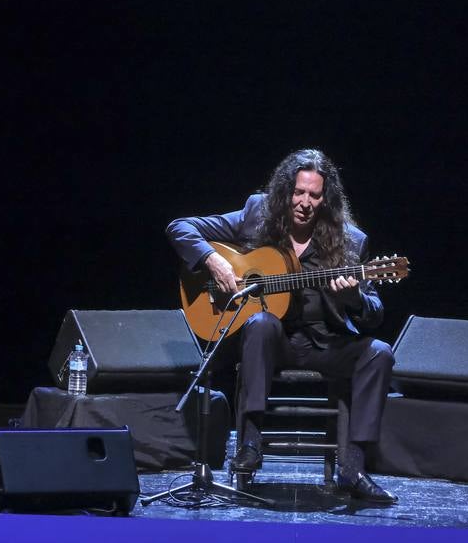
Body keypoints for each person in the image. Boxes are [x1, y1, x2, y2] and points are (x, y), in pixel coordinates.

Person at [166, 148, 397, 503]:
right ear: (286, 191)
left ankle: (353, 467)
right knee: (260, 322)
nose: (304, 202)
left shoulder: (352, 241)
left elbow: (374, 313)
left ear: (326, 199)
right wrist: (213, 261)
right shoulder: (257, 213)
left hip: (327, 344)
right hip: (273, 342)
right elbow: (179, 227)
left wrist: (353, 299)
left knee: (379, 353)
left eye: (314, 195)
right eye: (298, 192)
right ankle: (250, 447)